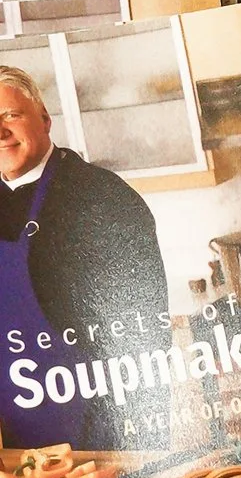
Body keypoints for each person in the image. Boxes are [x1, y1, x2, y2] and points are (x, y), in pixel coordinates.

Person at [0, 57, 175, 454]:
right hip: (12, 440)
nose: (1, 131)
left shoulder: (103, 197)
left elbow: (142, 332)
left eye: (12, 114)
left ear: (44, 119)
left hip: (99, 424)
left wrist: (129, 440)